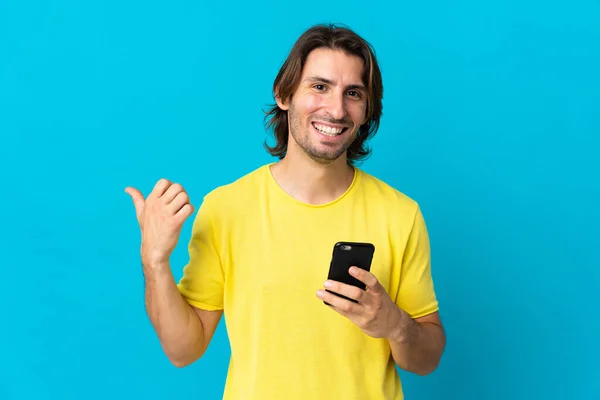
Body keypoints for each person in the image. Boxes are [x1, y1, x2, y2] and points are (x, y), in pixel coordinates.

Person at [125, 23, 446, 400]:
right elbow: (184, 351)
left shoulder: (400, 215)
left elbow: (426, 360)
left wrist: (394, 324)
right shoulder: (227, 208)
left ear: (365, 112)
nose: (336, 109)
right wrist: (154, 262)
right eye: (320, 86)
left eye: (353, 93)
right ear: (284, 94)